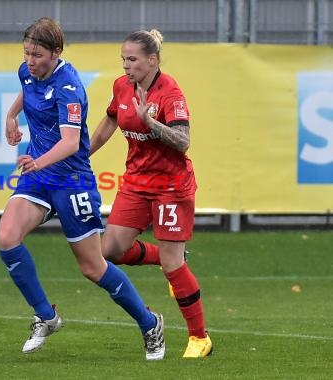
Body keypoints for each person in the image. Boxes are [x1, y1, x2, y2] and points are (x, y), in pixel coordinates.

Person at [0, 17, 165, 360]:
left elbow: (72, 143)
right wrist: (12, 116)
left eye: (38, 54)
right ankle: (46, 316)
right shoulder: (27, 70)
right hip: (40, 179)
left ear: (56, 52)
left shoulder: (69, 87)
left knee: (93, 267)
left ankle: (150, 324)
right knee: (6, 238)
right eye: (27, 52)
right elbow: (27, 88)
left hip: (72, 181)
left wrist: (37, 161)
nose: (30, 60)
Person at [89, 29, 213, 358]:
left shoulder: (169, 93)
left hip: (172, 186)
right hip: (137, 182)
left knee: (173, 265)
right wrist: (82, 153)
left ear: (151, 60)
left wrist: (151, 123)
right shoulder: (121, 86)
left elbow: (183, 141)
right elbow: (109, 123)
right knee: (111, 250)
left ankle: (199, 338)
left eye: (132, 59)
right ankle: (168, 258)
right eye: (123, 59)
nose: (126, 66)